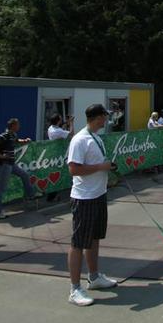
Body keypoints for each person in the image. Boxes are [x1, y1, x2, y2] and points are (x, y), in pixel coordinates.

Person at [66, 104, 118, 306]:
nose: (106, 120)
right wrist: (101, 167)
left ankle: (94, 277)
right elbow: (73, 169)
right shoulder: (80, 139)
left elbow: (97, 164)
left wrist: (107, 168)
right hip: (84, 198)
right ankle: (74, 289)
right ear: (98, 117)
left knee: (95, 238)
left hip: (99, 194)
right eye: (105, 116)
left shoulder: (95, 137)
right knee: (78, 243)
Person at [0, 118, 40, 219]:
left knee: (25, 175)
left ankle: (30, 196)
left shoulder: (13, 135)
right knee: (1, 188)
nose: (19, 126)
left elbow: (17, 141)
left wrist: (24, 141)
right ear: (12, 126)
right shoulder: (4, 135)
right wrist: (1, 156)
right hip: (4, 164)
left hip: (11, 164)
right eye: (17, 125)